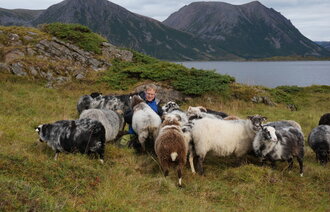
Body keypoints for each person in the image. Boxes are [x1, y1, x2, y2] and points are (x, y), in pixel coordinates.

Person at [119, 84, 163, 148]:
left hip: (153, 135)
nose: (150, 96)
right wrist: (136, 112)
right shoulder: (136, 101)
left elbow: (162, 117)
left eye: (152, 94)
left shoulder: (157, 105)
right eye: (148, 93)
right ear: (145, 92)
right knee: (122, 144)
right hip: (135, 133)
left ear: (155, 94)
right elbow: (126, 117)